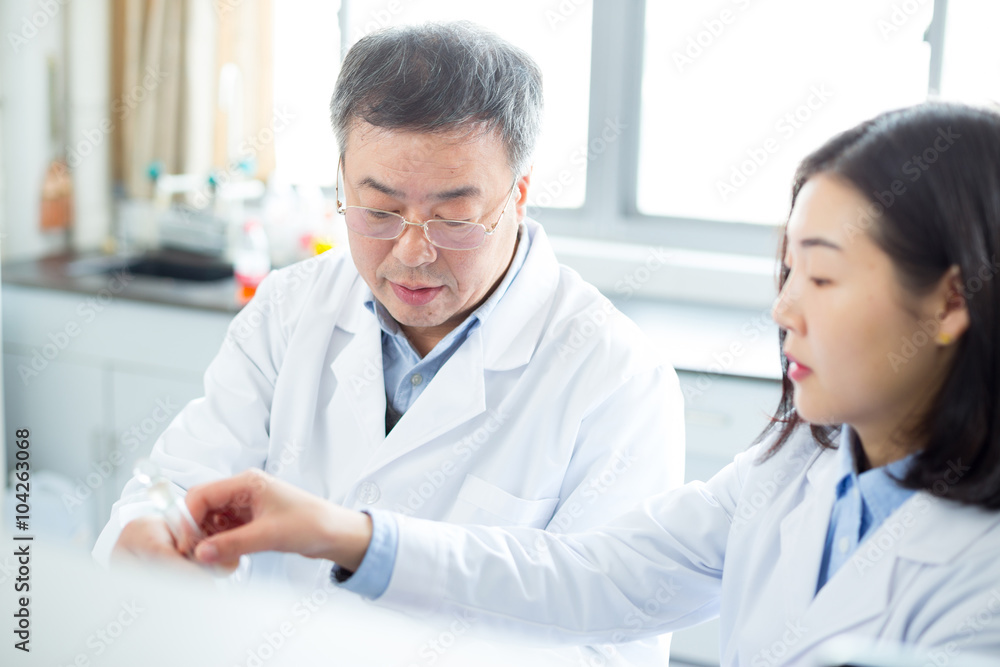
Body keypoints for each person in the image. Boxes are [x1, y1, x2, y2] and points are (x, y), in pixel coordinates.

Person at [181, 102, 1000, 665]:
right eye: (786, 270)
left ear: (953, 297)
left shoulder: (981, 577)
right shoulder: (795, 469)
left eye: (820, 279)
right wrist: (345, 533)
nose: (783, 309)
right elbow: (591, 574)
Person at [93, 21, 683, 666]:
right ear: (342, 178)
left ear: (519, 191)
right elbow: (183, 483)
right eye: (377, 211)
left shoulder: (617, 376)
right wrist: (152, 532)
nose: (411, 251)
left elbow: (612, 645)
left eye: (454, 217)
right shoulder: (291, 311)